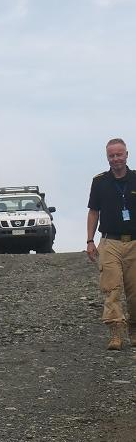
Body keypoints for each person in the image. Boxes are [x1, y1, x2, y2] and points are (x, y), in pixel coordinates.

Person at [86, 137, 136, 350]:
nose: (116, 159)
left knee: (134, 291)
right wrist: (90, 240)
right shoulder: (99, 182)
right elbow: (93, 212)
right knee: (111, 289)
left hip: (134, 242)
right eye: (111, 155)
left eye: (119, 154)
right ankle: (115, 333)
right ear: (107, 157)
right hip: (110, 242)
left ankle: (134, 329)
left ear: (127, 155)